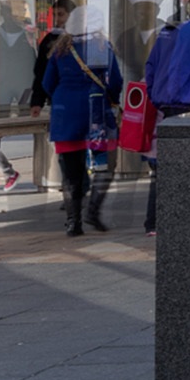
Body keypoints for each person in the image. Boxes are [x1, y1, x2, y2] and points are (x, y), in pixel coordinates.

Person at [38, 15, 122, 236]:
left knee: (71, 171)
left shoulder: (60, 51)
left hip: (66, 114)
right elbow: (115, 81)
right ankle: (93, 211)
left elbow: (47, 83)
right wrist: (111, 98)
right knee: (105, 165)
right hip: (96, 112)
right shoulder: (101, 47)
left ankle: (73, 222)